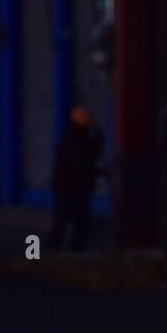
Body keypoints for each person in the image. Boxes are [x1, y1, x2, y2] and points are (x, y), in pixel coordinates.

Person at [50, 106, 102, 252]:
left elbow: (92, 154)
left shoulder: (82, 136)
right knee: (67, 217)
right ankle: (61, 245)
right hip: (69, 184)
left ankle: (73, 245)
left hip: (76, 184)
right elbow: (79, 159)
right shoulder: (74, 137)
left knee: (75, 217)